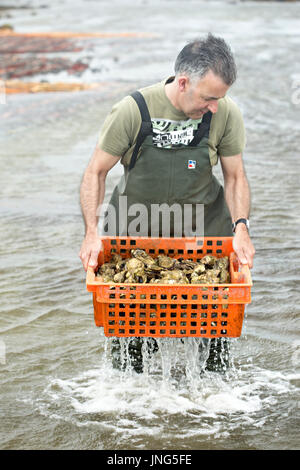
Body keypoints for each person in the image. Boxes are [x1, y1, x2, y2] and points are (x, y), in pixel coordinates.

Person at [79, 33, 255, 372]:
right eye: (208, 97)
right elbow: (95, 172)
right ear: (184, 82)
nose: (214, 106)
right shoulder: (133, 110)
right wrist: (91, 232)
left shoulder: (225, 113)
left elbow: (235, 176)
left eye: (220, 98)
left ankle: (213, 412)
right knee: (129, 355)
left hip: (204, 242)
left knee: (215, 353)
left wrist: (242, 228)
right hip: (135, 238)